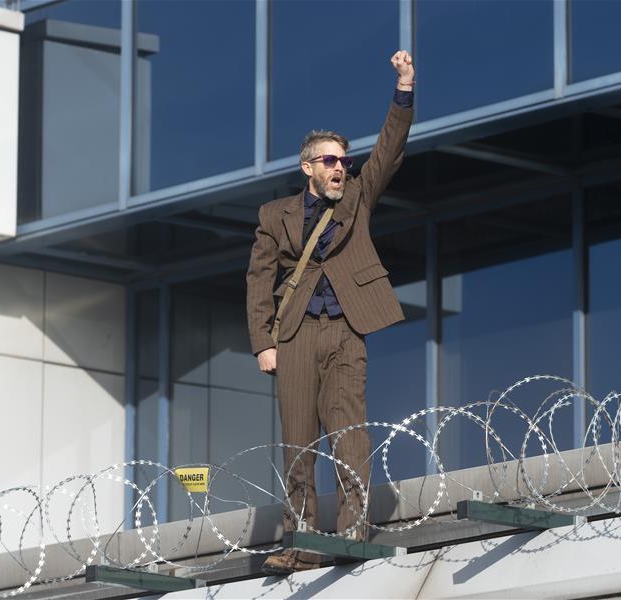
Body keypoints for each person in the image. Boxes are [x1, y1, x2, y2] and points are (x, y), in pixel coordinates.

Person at [246, 50, 415, 576]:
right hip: (294, 335)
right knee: (298, 440)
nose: (340, 167)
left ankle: (353, 531)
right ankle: (299, 542)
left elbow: (389, 148)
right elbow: (259, 278)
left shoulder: (358, 197)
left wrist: (404, 89)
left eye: (344, 160)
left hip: (347, 329)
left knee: (350, 432)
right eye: (330, 161)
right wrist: (262, 342)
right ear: (308, 168)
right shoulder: (275, 215)